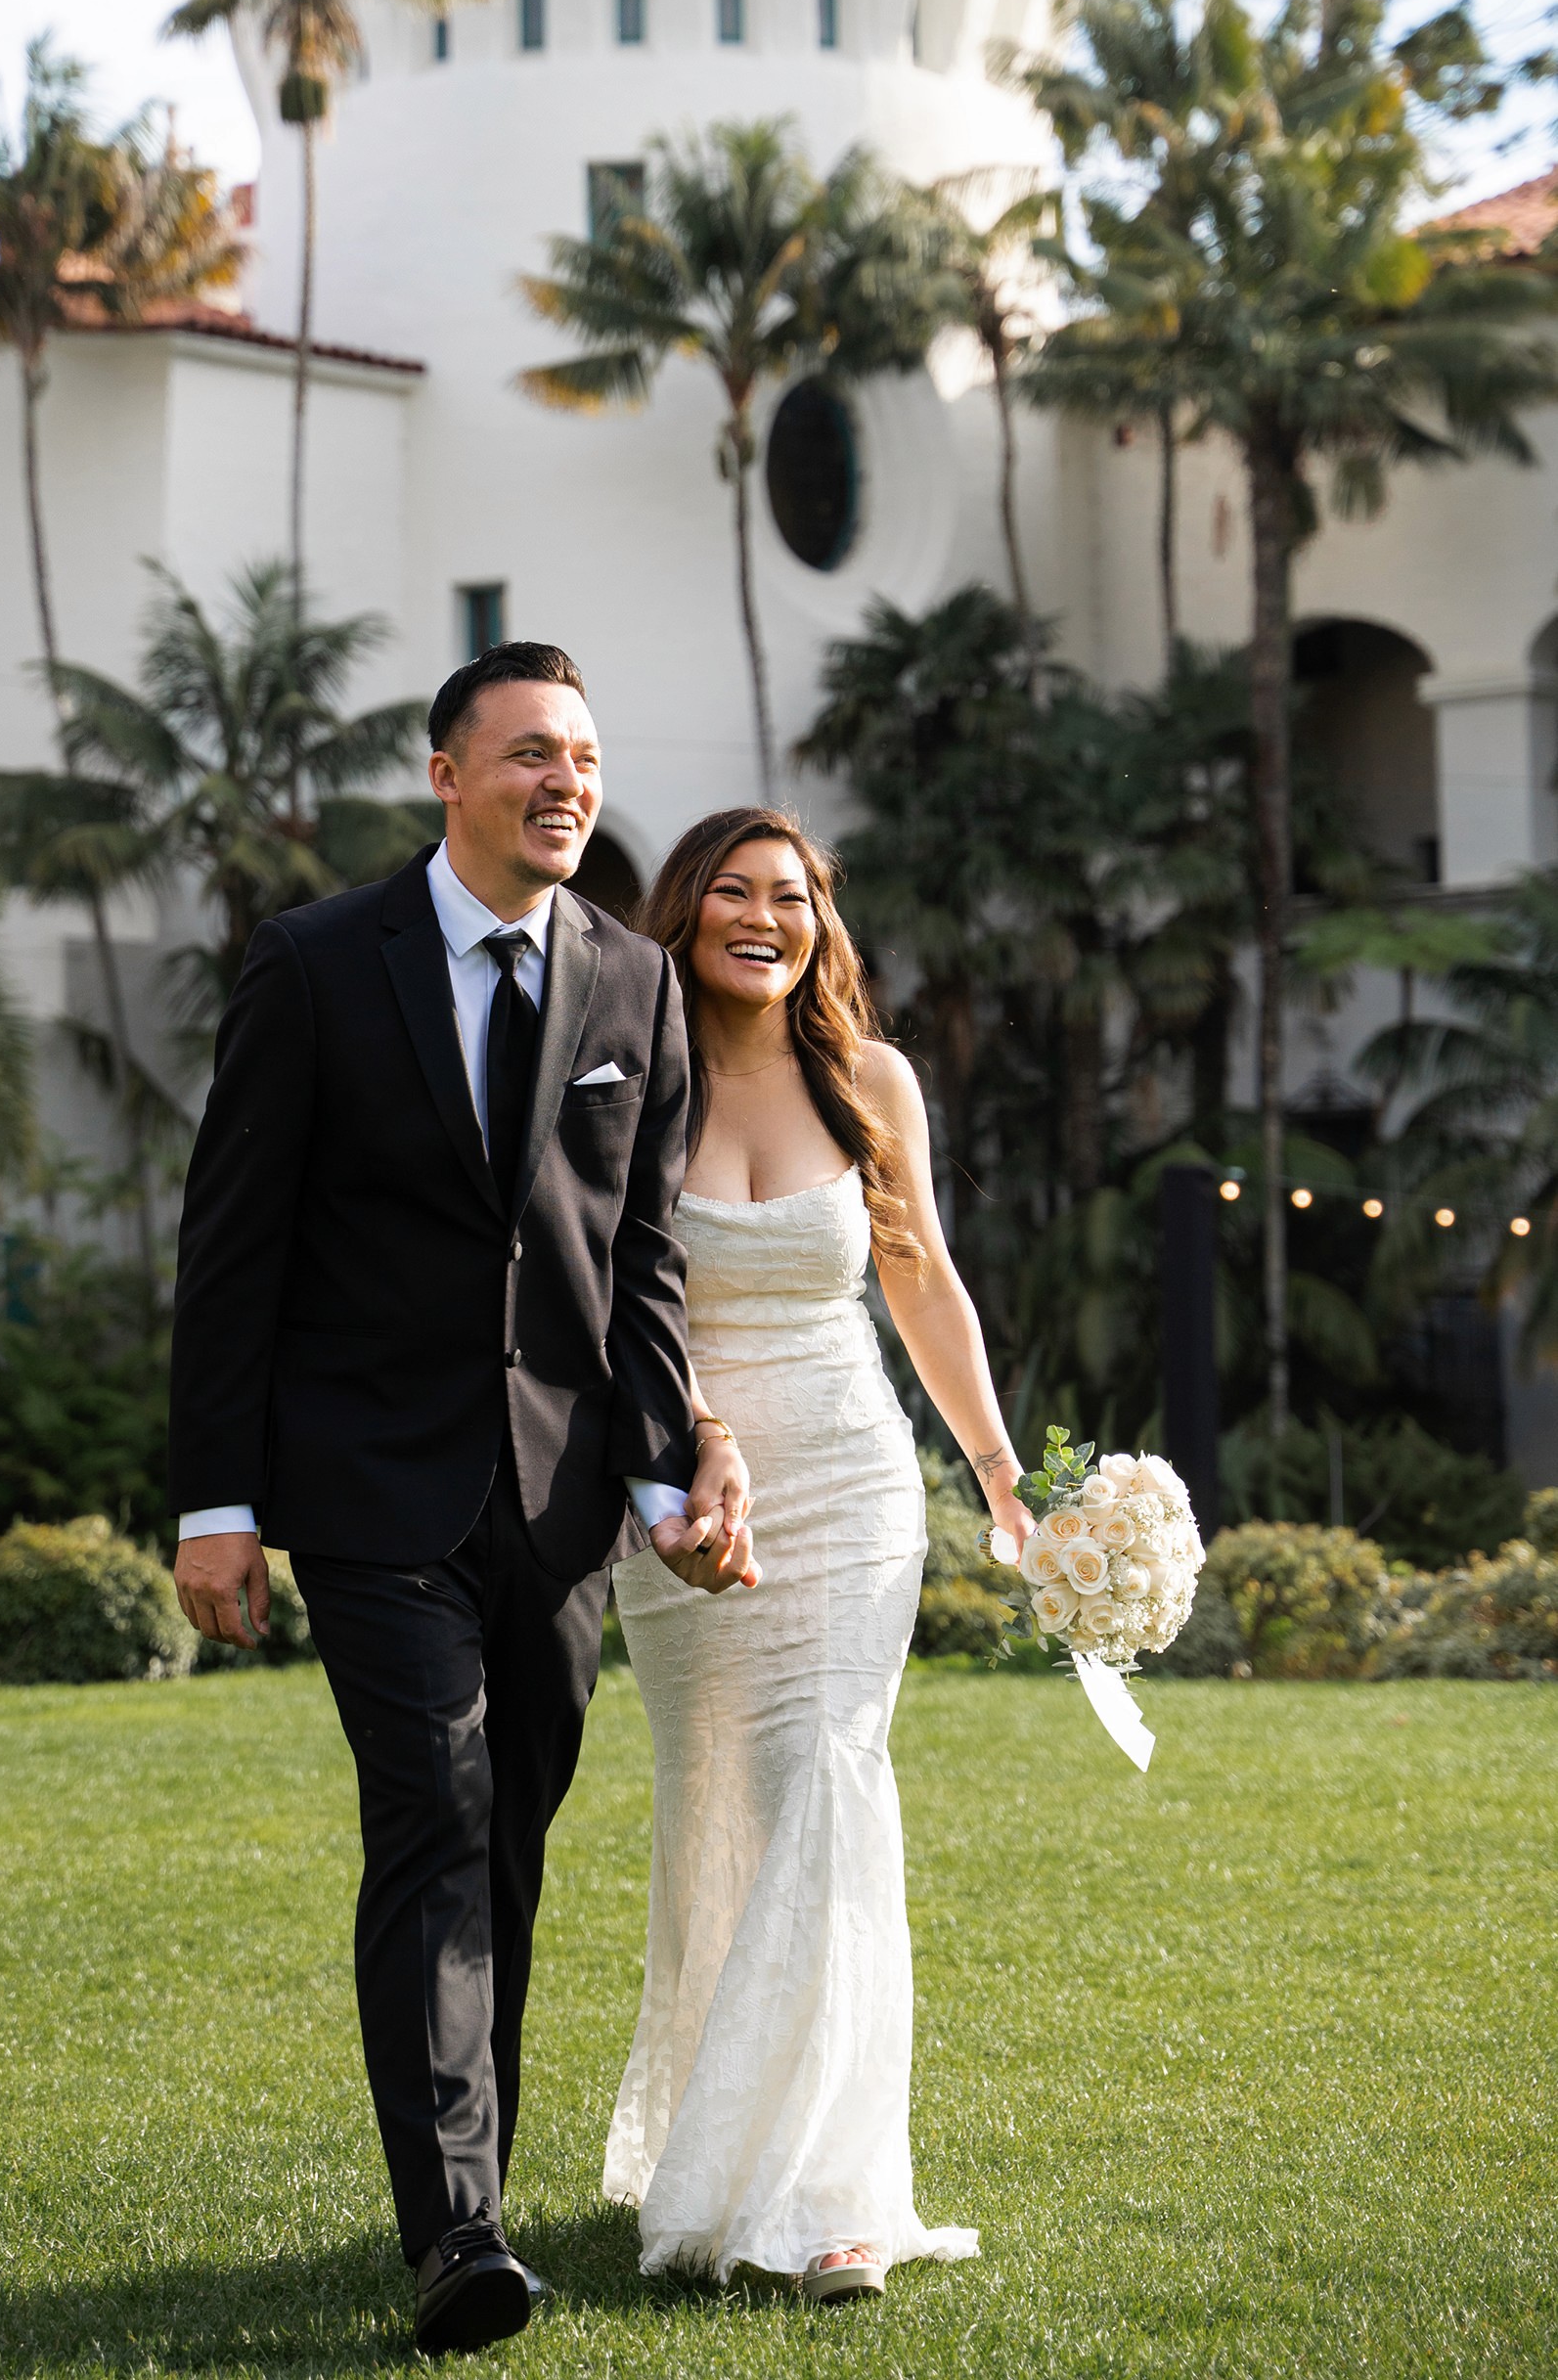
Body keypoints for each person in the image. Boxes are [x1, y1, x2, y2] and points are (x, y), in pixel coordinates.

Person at [165, 642, 755, 2358]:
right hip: (366, 1481)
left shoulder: (633, 985)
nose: (563, 782)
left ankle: (464, 2183)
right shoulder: (313, 965)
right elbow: (233, 1251)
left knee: (507, 1837)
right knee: (432, 1801)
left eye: (581, 756)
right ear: (445, 775)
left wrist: (662, 1465)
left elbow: (634, 1260)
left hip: (562, 1498)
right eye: (525, 756)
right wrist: (217, 1501)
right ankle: (458, 2232)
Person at [605, 807, 1034, 2300]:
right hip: (679, 1489)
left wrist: (996, 1472)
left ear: (820, 920)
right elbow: (608, 1309)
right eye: (731, 891)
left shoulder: (869, 1080)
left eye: (790, 896)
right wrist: (686, 1443)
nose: (763, 916)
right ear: (682, 911)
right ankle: (711, 2160)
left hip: (852, 1479)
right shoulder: (623, 1078)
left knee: (827, 1786)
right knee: (717, 1797)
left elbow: (923, 1280)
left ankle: (834, 2192)